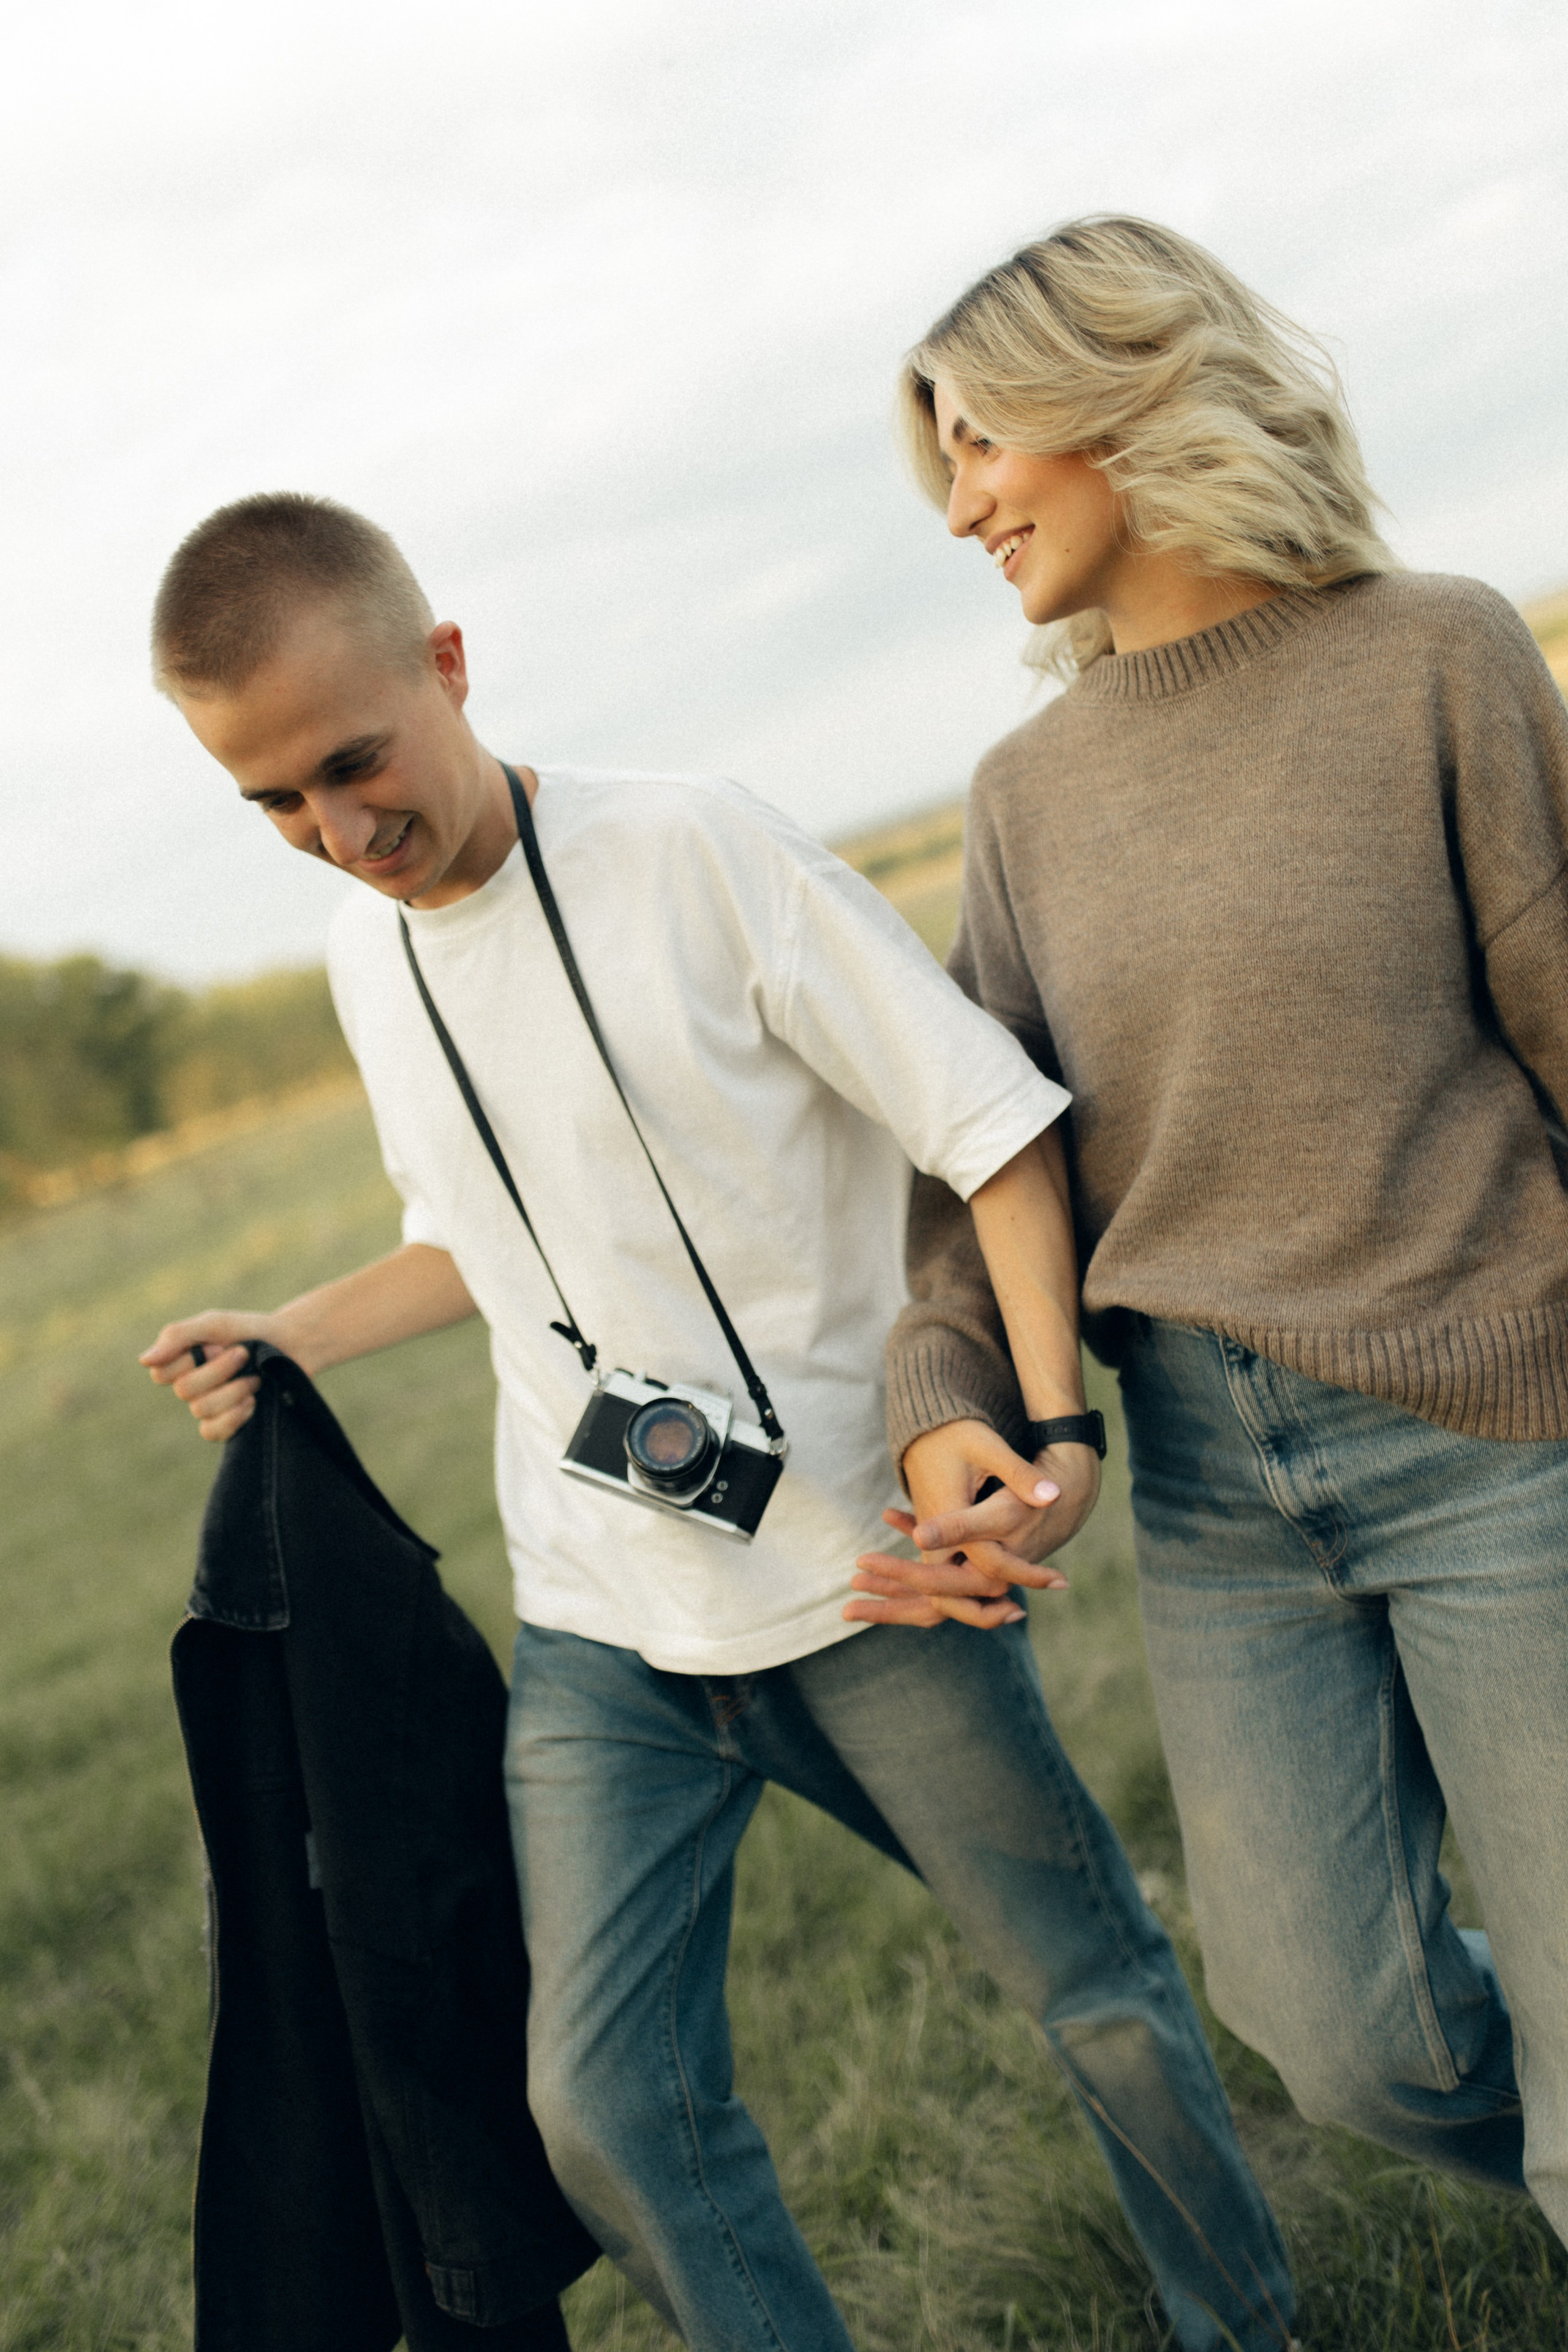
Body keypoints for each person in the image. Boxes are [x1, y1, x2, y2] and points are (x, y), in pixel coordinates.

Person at [140, 492, 1294, 2352]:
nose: (338, 836)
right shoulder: (372, 957)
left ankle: (1249, 2325)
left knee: (1092, 1989)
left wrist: (1052, 1434)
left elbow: (990, 1130)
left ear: (444, 666)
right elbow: (474, 1233)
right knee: (600, 2109)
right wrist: (291, 1329)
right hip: (602, 1626)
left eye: (353, 766)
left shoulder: (694, 848)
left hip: (874, 1584)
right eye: (274, 805)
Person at [858, 211, 1568, 2241]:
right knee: (1341, 2037)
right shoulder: (1023, 794)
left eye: (983, 441)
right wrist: (946, 1404)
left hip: (1497, 1440)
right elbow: (984, 1158)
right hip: (1212, 1499)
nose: (965, 502)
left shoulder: (1438, 654)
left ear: (1123, 398)